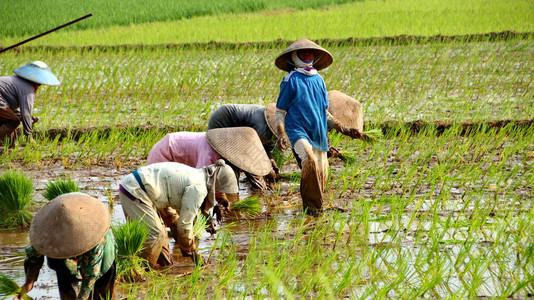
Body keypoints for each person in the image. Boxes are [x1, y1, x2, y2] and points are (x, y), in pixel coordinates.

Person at [117, 160, 239, 269]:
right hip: (135, 189)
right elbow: (185, 225)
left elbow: (177, 220)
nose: (222, 195)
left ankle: (159, 265)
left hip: (152, 192)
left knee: (166, 255)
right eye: (222, 192)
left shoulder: (200, 176)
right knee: (155, 234)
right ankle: (141, 269)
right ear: (216, 186)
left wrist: (183, 244)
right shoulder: (197, 188)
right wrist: (193, 252)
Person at [273, 38, 333, 217]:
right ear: (294, 56)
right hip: (296, 130)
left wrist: (341, 128)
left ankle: (315, 208)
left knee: (322, 172)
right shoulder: (290, 80)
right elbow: (280, 111)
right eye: (303, 52)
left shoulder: (319, 80)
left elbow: (325, 112)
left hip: (318, 132)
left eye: (310, 52)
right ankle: (312, 208)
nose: (307, 55)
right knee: (309, 160)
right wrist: (281, 132)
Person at [20, 193, 116, 300]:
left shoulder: (94, 237)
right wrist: (30, 281)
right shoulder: (46, 234)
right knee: (67, 291)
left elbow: (91, 274)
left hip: (101, 256)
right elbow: (34, 255)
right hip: (62, 260)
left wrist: (83, 297)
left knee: (103, 293)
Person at [146, 128, 273, 193]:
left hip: (179, 160)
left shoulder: (220, 148)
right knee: (165, 195)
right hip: (164, 154)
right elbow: (198, 182)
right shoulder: (209, 152)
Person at [207, 104, 280, 190]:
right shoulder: (261, 127)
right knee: (232, 162)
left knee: (240, 164)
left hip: (240, 131)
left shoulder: (271, 131)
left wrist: (271, 162)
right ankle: (230, 192)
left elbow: (265, 149)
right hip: (224, 122)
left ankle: (233, 190)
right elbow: (249, 156)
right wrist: (261, 178)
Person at [0, 61, 60, 145]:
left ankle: (10, 145)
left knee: (11, 127)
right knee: (13, 121)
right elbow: (26, 113)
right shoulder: (27, 88)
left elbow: (10, 110)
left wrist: (25, 117)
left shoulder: (17, 81)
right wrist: (29, 135)